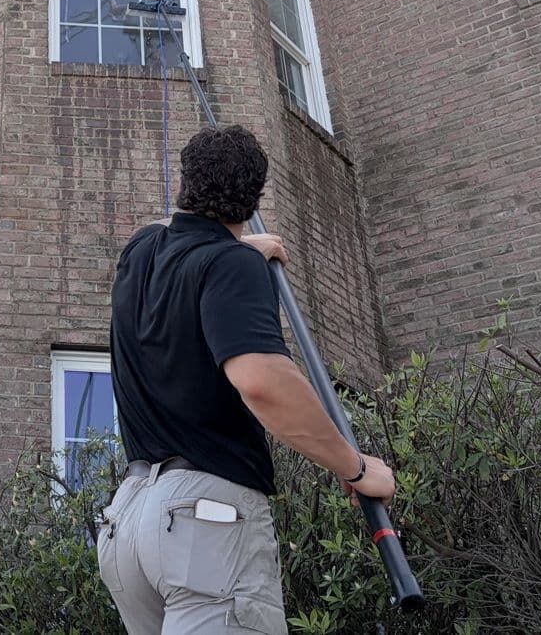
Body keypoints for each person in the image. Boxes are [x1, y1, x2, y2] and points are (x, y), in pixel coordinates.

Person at [98, 125, 396, 634]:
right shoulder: (229, 265)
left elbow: (174, 234)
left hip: (126, 523)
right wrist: (355, 467)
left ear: (184, 183)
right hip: (204, 522)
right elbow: (261, 381)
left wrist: (239, 244)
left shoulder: (142, 251)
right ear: (255, 198)